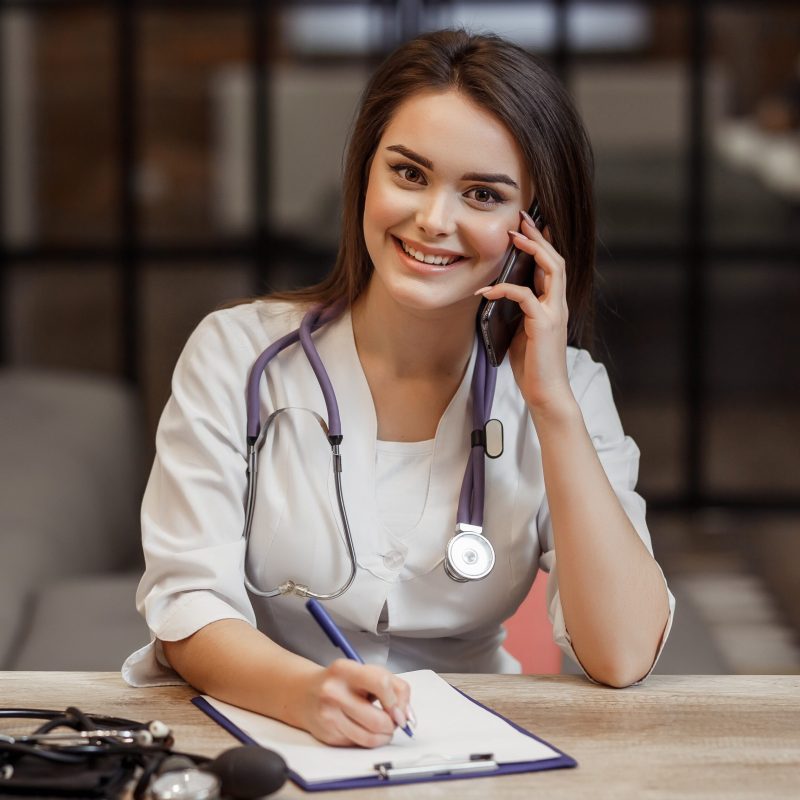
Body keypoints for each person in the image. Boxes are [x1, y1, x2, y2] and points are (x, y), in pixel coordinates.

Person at [123, 29, 675, 748]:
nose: (433, 220)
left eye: (483, 194)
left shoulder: (568, 392)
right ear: (365, 175)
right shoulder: (236, 355)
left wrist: (552, 407)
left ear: (534, 228)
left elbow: (623, 654)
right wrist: (304, 694)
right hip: (272, 735)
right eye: (409, 174)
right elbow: (188, 602)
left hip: (477, 750)